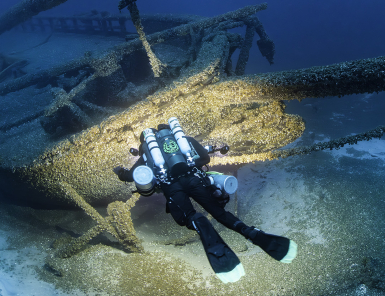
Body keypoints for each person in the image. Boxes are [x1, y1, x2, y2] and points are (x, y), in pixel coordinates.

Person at [114, 118, 297, 283]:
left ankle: (201, 224)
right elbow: (205, 157)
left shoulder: (147, 152)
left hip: (172, 186)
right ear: (171, 131)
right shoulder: (183, 141)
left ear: (146, 139)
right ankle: (250, 232)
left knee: (188, 216)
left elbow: (131, 177)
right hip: (194, 178)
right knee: (220, 213)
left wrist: (120, 172)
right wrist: (192, 165)